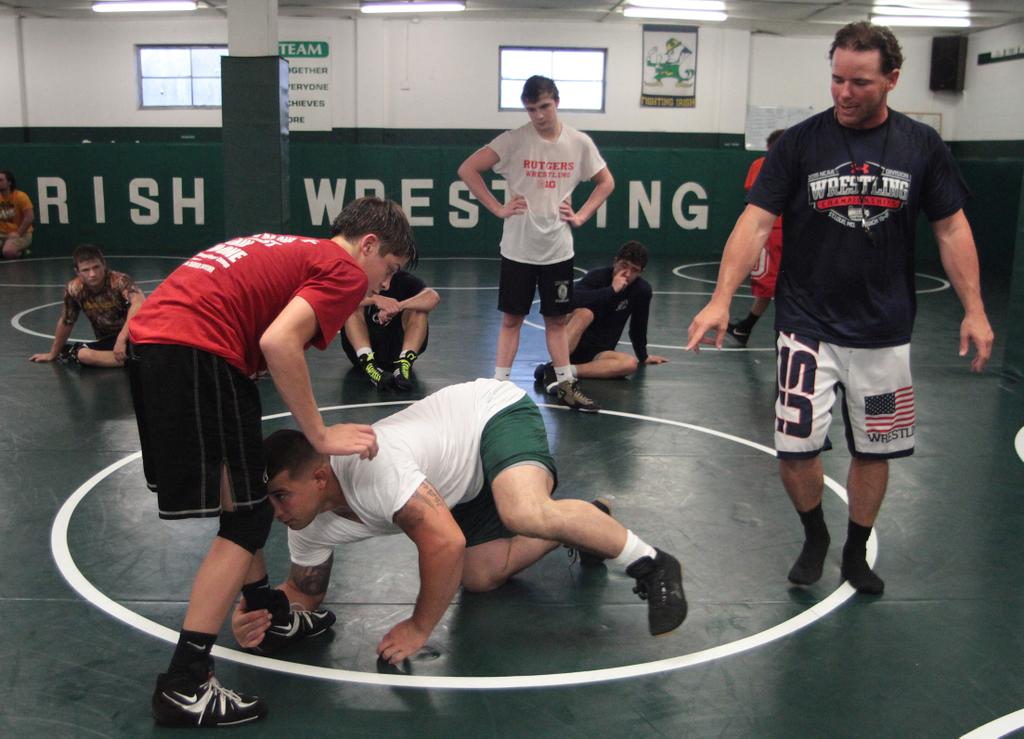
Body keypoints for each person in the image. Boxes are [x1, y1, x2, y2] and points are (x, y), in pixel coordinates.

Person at [686, 22, 993, 596]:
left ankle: (855, 547)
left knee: (876, 448)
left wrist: (974, 309)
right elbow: (755, 222)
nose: (844, 93)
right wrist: (721, 298)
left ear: (891, 79)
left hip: (884, 332)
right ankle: (814, 534)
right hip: (807, 326)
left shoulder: (920, 145)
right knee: (794, 446)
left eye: (860, 82)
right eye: (836, 79)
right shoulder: (801, 143)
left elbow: (951, 228)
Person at [126, 197, 417, 728]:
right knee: (245, 520)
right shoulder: (343, 269)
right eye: (389, 268)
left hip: (158, 344)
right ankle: (185, 682)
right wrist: (320, 434)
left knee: (246, 503)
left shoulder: (296, 249)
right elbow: (280, 341)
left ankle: (272, 615)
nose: (383, 282)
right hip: (196, 350)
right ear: (369, 245)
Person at [232, 379, 687, 663]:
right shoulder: (307, 521)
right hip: (456, 485)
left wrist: (418, 627)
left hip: (490, 415)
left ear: (318, 476)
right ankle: (588, 523)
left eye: (280, 495)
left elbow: (444, 543)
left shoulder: (374, 469)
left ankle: (652, 563)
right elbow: (305, 593)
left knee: (523, 511)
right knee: (480, 577)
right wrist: (262, 615)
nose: (275, 512)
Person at [457, 75, 615, 412]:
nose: (539, 115)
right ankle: (499, 388)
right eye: (531, 109)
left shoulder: (579, 143)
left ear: (556, 101)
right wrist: (497, 208)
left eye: (544, 107)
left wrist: (582, 215)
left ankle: (565, 384)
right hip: (518, 249)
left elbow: (606, 182)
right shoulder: (513, 140)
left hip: (558, 250)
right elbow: (468, 169)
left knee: (556, 321)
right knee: (511, 320)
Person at [534, 240, 668, 384]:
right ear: (615, 262)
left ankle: (562, 371)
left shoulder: (642, 290)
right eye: (624, 265)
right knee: (585, 313)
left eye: (634, 270)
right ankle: (558, 365)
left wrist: (643, 356)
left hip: (599, 353)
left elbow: (638, 326)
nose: (627, 273)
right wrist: (611, 290)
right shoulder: (597, 277)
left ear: (641, 272)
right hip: (572, 342)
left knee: (630, 364)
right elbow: (572, 301)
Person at [29, 244, 145, 368]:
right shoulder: (75, 289)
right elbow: (67, 321)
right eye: (86, 270)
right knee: (83, 354)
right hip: (108, 341)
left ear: (104, 265)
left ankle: (137, 357)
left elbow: (139, 303)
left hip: (135, 336)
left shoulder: (119, 281)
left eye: (96, 267)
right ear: (77, 272)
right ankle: (135, 360)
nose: (92, 274)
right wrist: (53, 354)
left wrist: (122, 339)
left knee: (141, 346)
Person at [726, 128, 786, 347]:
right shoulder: (801, 164)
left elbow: (756, 201)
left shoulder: (762, 164)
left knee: (770, 285)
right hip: (792, 231)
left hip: (772, 229)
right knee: (779, 285)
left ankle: (781, 333)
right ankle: (746, 327)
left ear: (770, 147)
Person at [339, 269, 440, 392]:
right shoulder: (359, 280)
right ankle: (369, 364)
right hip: (360, 352)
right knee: (352, 306)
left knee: (419, 308)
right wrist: (375, 299)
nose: (385, 284)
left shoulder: (404, 280)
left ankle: (404, 363)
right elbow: (341, 298)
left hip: (395, 349)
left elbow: (432, 297)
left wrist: (398, 306)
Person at [0, 169, 34, 259]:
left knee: (8, 252)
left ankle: (22, 252)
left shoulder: (20, 196)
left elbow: (30, 217)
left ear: (9, 182)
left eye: (1, 180)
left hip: (22, 234)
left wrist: (18, 233)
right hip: (2, 234)